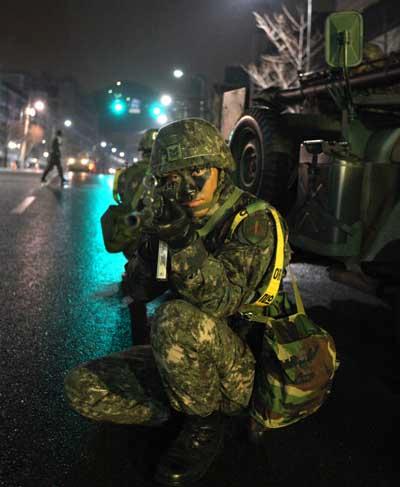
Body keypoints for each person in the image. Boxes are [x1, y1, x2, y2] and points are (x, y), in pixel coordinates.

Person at [65, 118, 292, 485]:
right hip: (189, 359)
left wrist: (182, 241)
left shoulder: (254, 221)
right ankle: (188, 403)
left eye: (197, 172)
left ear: (220, 167)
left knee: (174, 318)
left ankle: (206, 425)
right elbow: (141, 291)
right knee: (82, 386)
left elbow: (220, 300)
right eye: (172, 179)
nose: (186, 188)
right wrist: (151, 247)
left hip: (243, 369)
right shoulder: (178, 217)